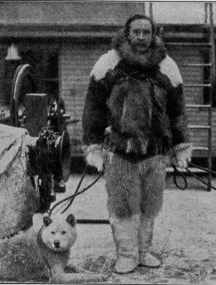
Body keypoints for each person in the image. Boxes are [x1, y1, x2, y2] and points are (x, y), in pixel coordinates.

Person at [82, 14, 192, 274]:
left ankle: (143, 252)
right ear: (127, 33)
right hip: (121, 151)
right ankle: (126, 255)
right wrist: (94, 146)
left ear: (154, 35)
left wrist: (181, 146)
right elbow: (93, 108)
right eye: (136, 32)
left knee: (149, 205)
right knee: (122, 205)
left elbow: (178, 111)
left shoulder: (167, 66)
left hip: (155, 152)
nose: (141, 37)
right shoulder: (109, 63)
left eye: (146, 32)